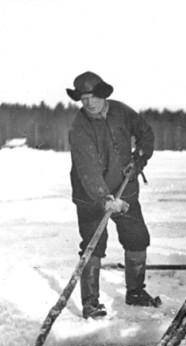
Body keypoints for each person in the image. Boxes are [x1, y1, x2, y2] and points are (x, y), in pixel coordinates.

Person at [66, 71, 160, 319]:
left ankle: (136, 292)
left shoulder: (121, 111)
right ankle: (91, 303)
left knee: (137, 238)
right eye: (83, 98)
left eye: (93, 97)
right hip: (91, 196)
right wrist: (105, 199)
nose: (88, 103)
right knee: (93, 246)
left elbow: (145, 133)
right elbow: (88, 169)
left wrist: (139, 160)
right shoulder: (80, 128)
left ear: (103, 95)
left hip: (125, 189)